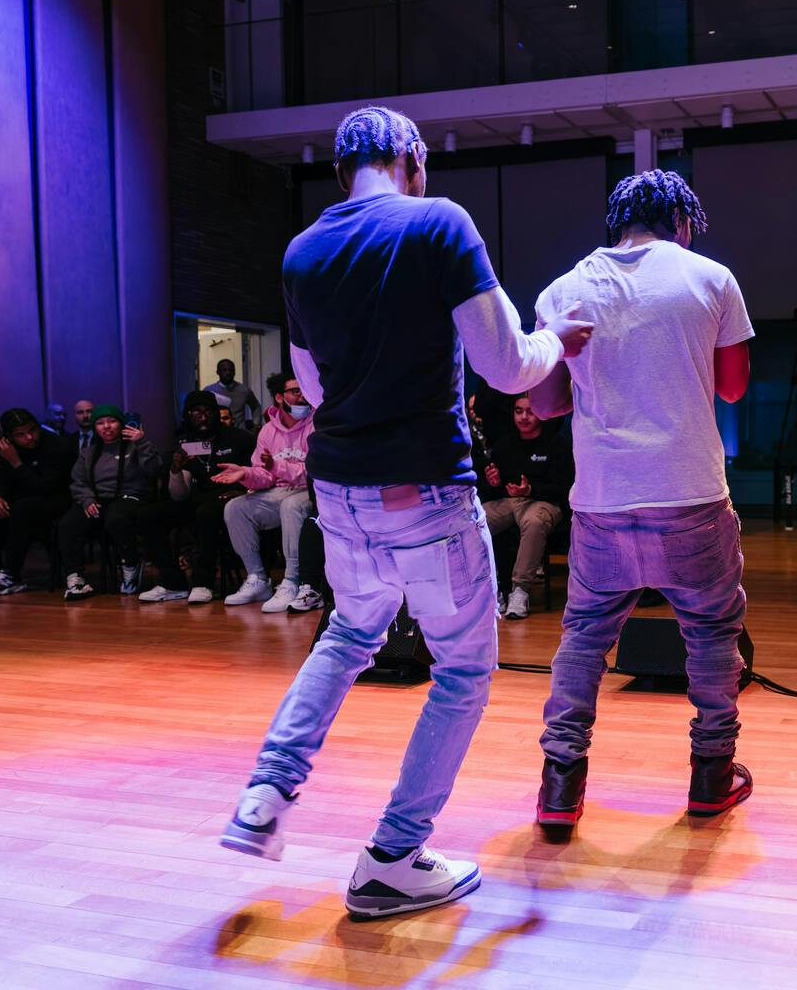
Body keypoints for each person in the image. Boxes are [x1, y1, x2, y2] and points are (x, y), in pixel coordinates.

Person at [219, 105, 591, 919]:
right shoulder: (438, 224)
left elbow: (313, 389)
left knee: (350, 634)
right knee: (462, 671)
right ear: (412, 158)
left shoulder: (302, 249)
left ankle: (265, 796)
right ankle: (392, 855)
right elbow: (504, 367)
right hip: (425, 491)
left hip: (339, 492)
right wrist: (555, 339)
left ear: (340, 168)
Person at [527, 168, 752, 829]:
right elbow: (734, 389)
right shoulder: (710, 279)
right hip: (689, 493)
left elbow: (543, 402)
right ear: (681, 221)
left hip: (602, 500)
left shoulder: (562, 290)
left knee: (584, 637)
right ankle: (711, 777)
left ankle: (560, 787)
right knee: (710, 633)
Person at [136, 391, 256, 605]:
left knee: (206, 513)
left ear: (217, 414)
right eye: (197, 412)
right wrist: (175, 470)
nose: (203, 417)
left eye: (208, 412)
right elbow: (179, 496)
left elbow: (258, 472)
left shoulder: (239, 439)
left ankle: (203, 582)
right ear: (188, 415)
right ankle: (173, 583)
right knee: (148, 515)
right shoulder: (184, 441)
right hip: (197, 498)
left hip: (234, 497)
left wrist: (245, 491)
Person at [217, 371, 316, 611]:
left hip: (311, 492)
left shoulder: (317, 424)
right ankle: (258, 579)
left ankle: (292, 580)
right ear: (280, 397)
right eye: (295, 391)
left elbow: (315, 470)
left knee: (290, 506)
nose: (302, 396)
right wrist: (246, 473)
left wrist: (276, 466)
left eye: (304, 390)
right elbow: (264, 474)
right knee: (236, 507)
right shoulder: (267, 431)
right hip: (278, 491)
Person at [481, 394, 573, 620]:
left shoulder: (555, 444)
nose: (523, 417)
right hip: (509, 502)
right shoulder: (504, 445)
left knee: (533, 521)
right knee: (474, 518)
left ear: (540, 414)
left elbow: (563, 488)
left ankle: (519, 592)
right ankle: (488, 589)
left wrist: (530, 490)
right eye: (518, 411)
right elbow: (494, 489)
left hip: (543, 503)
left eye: (529, 411)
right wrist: (493, 483)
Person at [58, 405, 163, 600]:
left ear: (121, 423)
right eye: (100, 423)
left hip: (129, 497)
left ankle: (131, 564)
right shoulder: (88, 453)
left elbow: (154, 470)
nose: (106, 426)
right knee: (68, 524)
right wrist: (87, 499)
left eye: (112, 421)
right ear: (94, 427)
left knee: (116, 518)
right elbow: (78, 481)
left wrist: (142, 443)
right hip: (97, 499)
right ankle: (76, 578)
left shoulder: (136, 447)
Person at [0, 408, 75, 596]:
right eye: (20, 435)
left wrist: (16, 462)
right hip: (25, 497)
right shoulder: (8, 448)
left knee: (22, 508)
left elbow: (44, 488)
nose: (29, 437)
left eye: (32, 430)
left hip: (58, 499)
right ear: (9, 437)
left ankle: (12, 574)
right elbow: (2, 481)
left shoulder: (56, 446)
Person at [204, 358, 261, 428]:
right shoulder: (209, 391)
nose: (228, 373)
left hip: (240, 432)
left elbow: (255, 406)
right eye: (224, 370)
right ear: (218, 372)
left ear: (234, 372)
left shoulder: (244, 390)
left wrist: (256, 425)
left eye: (231, 370)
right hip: (217, 432)